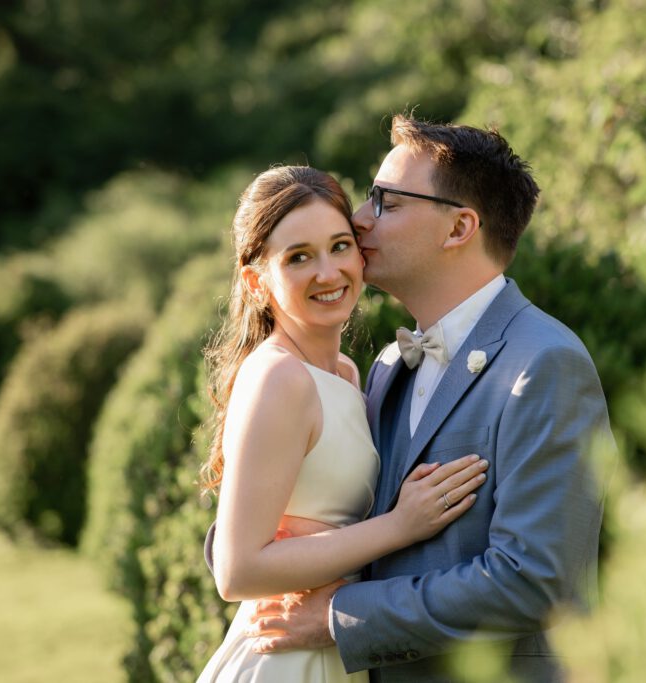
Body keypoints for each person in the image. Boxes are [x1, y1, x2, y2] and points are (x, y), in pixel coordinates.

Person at [243, 116, 614, 682]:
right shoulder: (389, 366)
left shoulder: (543, 363)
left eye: (386, 202)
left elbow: (535, 579)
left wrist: (344, 618)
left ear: (459, 227)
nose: (360, 220)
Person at [196, 166, 490, 683]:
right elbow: (237, 569)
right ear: (255, 280)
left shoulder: (352, 373)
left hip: (337, 647)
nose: (328, 273)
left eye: (339, 246)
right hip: (286, 659)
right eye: (298, 258)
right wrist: (399, 526)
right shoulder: (279, 378)